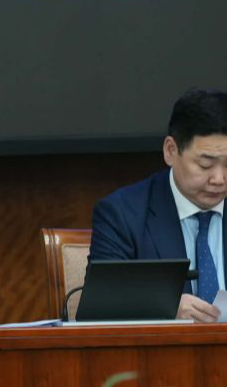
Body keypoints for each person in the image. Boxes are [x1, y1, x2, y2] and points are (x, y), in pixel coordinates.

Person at [90, 88, 227, 323]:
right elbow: (101, 303)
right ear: (171, 151)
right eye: (205, 165)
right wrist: (164, 308)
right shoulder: (122, 214)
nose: (219, 179)